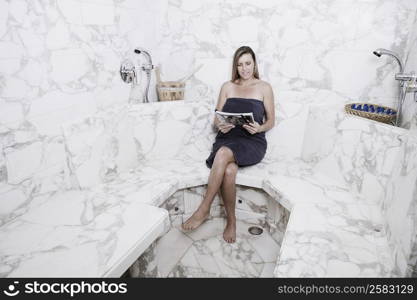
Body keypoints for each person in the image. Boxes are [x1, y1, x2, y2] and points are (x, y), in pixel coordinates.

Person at [181, 46, 275, 243]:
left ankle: (204, 209)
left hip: (252, 141)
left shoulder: (264, 87)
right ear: (236, 66)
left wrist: (258, 128)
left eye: (248, 63)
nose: (244, 68)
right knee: (229, 171)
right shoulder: (227, 86)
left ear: (254, 63)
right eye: (240, 65)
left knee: (223, 154)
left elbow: (271, 121)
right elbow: (217, 118)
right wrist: (220, 124)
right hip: (227, 138)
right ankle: (231, 221)